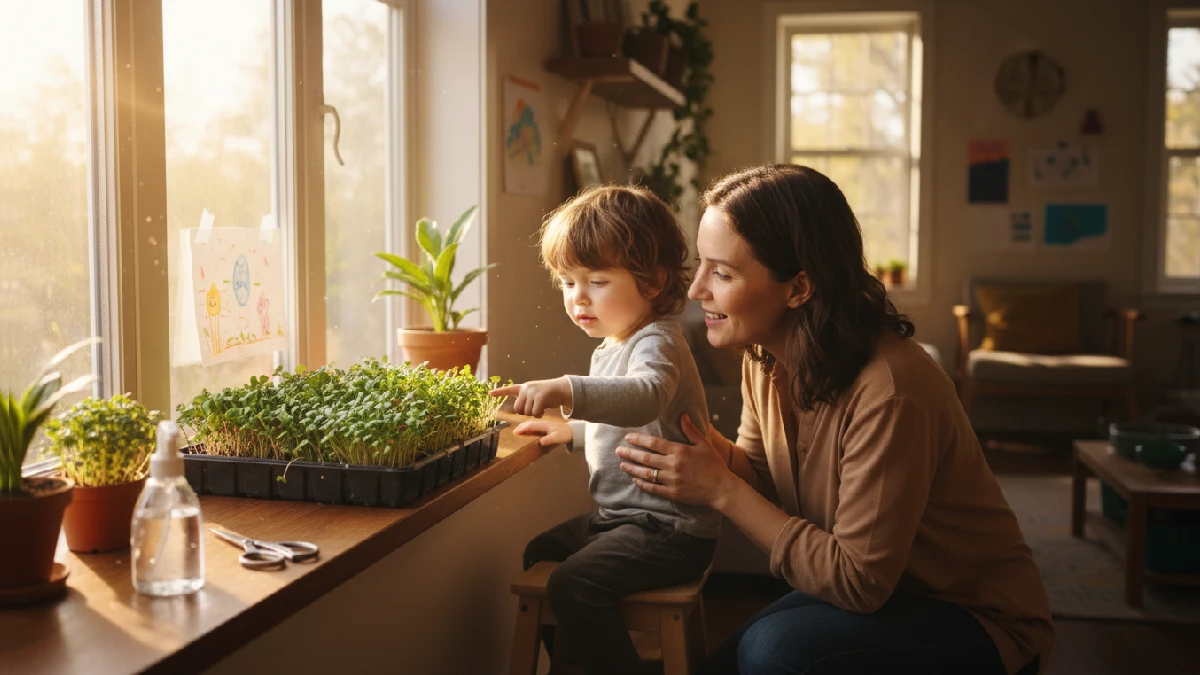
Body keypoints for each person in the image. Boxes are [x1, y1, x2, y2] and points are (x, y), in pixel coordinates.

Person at [613, 164, 1054, 675]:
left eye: (724, 273)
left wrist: (720, 490)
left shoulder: (892, 390)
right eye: (702, 266)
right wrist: (700, 443)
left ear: (799, 287)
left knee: (775, 651)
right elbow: (765, 480)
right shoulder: (763, 358)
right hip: (888, 599)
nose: (696, 291)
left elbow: (858, 582)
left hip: (975, 616)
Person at [489, 185, 720, 675]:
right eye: (568, 282)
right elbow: (628, 426)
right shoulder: (613, 344)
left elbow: (645, 397)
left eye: (596, 280)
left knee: (573, 584)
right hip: (623, 518)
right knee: (541, 554)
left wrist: (567, 390)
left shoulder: (658, 341)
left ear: (654, 281)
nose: (578, 298)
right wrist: (572, 435)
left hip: (669, 527)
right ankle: (576, 664)